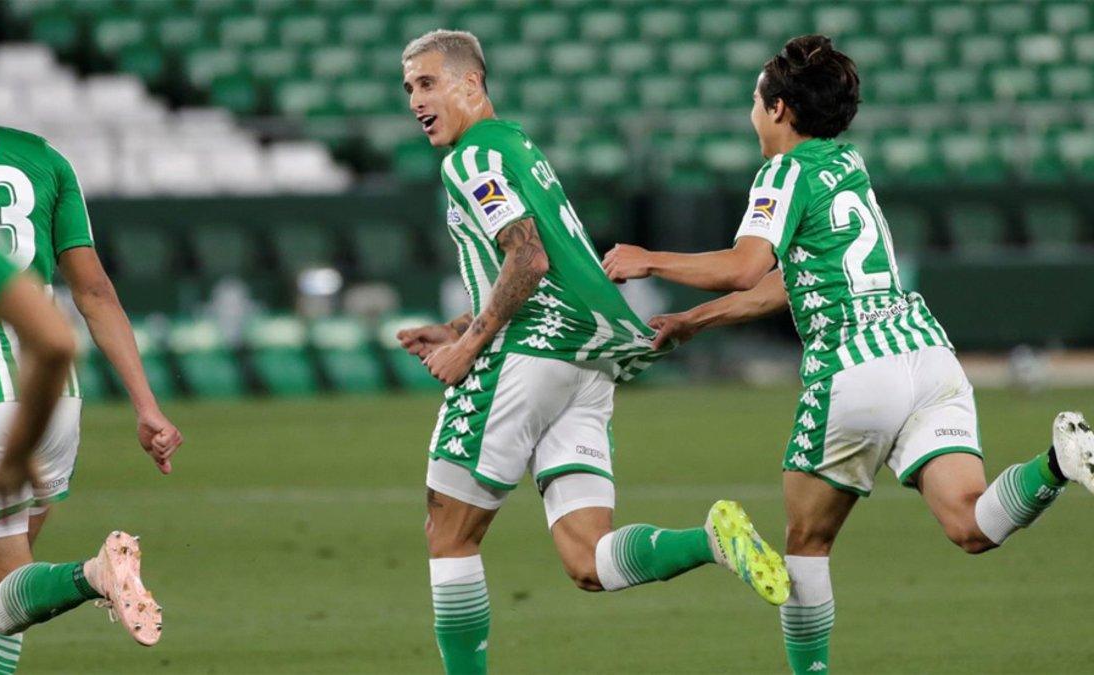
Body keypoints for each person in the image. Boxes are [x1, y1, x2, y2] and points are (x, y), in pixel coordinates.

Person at [602, 34, 1094, 675]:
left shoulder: (784, 172)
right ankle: (1057, 463)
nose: (751, 114)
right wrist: (695, 322)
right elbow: (789, 281)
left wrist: (649, 259)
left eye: (755, 101)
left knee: (806, 543)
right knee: (971, 524)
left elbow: (744, 267)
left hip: (853, 366)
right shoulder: (846, 163)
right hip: (926, 354)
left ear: (778, 109)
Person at [396, 29, 790, 675]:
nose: (416, 99)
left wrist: (471, 343)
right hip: (586, 362)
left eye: (428, 83)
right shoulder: (518, 146)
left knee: (449, 534)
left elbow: (528, 257)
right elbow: (549, 267)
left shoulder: (471, 157)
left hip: (528, 357)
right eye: (410, 87)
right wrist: (458, 323)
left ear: (471, 84)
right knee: (587, 558)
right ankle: (711, 541)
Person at [0, 11, 180, 671]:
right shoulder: (42, 158)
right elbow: (94, 292)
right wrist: (146, 406)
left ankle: (92, 574)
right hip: (52, 404)